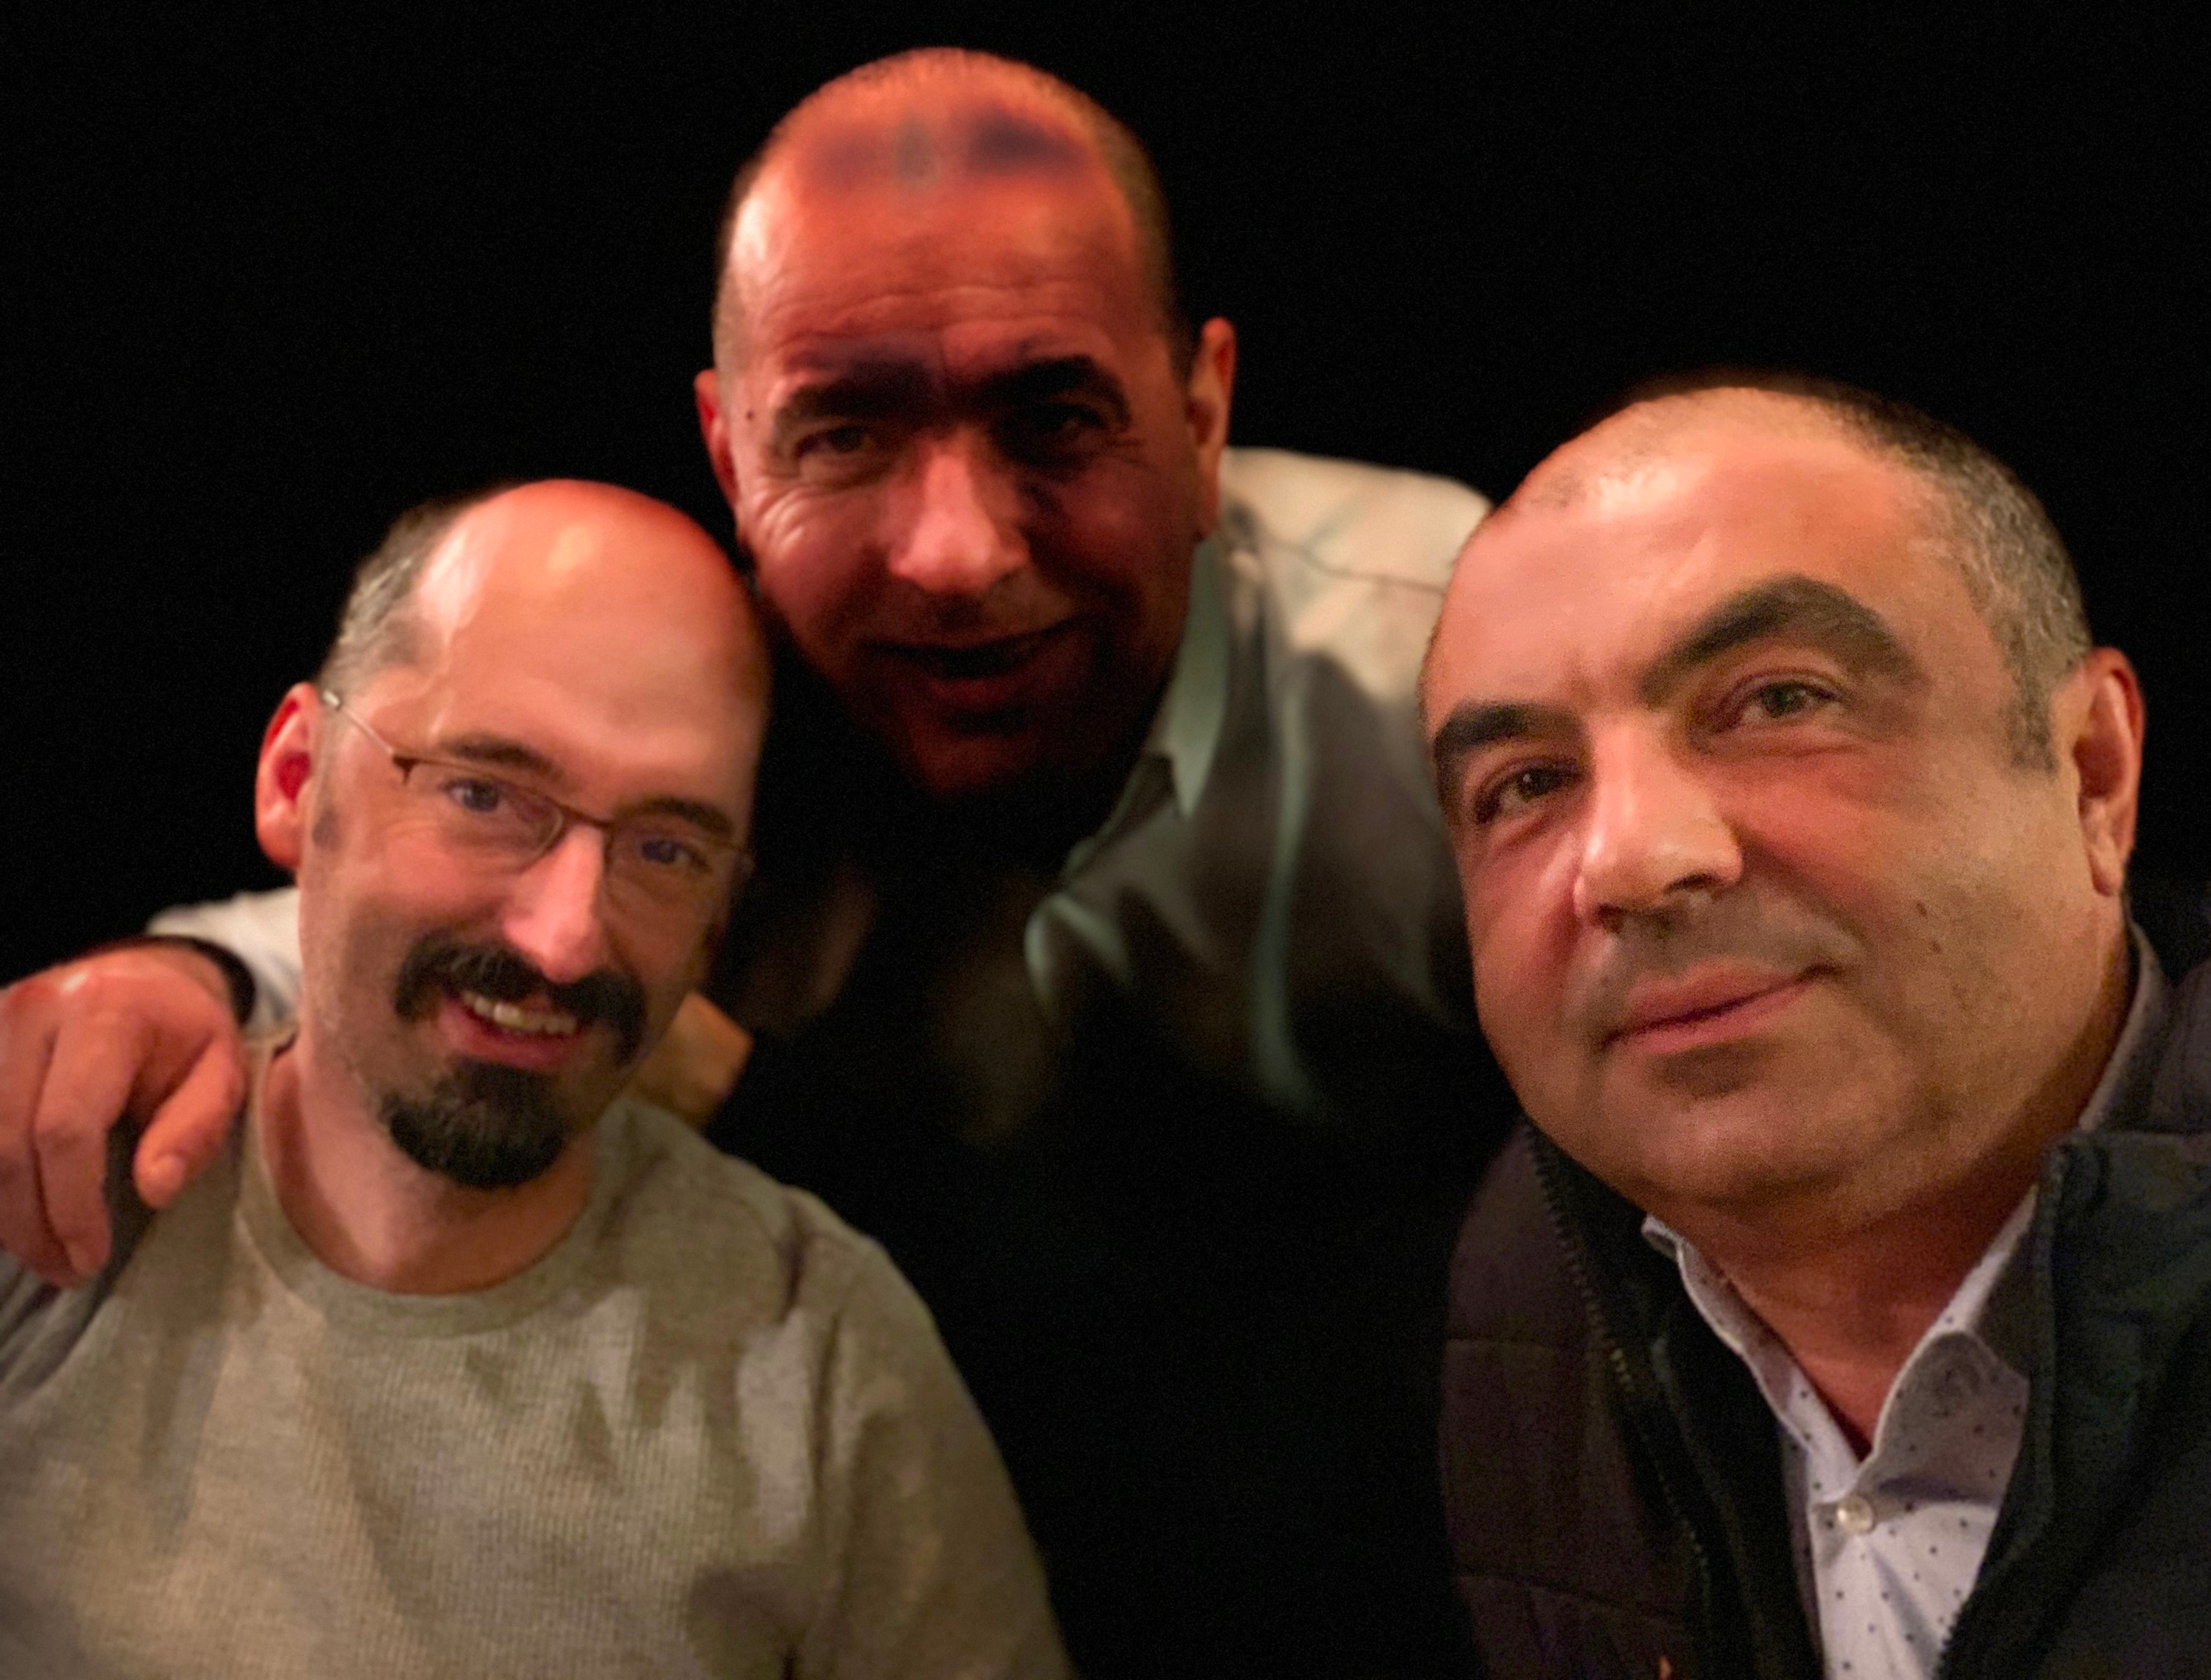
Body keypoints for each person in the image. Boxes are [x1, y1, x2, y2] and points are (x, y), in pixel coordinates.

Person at [0, 51, 1499, 1676]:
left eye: (1055, 418)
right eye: (843, 434)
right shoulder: (698, 687)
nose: (954, 557)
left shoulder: (1457, 677)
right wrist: (190, 980)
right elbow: (416, 864)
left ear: (1202, 418)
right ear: (730, 458)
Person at [0, 481, 1069, 1679]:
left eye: (665, 847)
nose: (564, 940)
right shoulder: (49, 1184)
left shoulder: (823, 1360)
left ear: (722, 913)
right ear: (299, 781)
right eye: (484, 794)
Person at [1421, 376, 2211, 1678]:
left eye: (1779, 702)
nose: (1630, 859)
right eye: (1525, 784)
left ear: (2094, 772)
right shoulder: (1533, 1289)